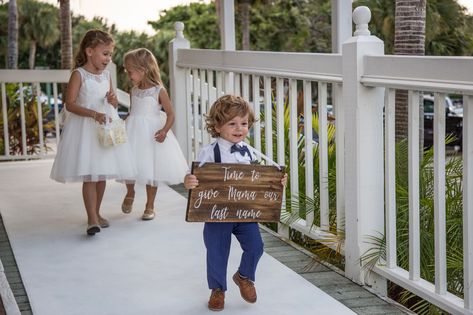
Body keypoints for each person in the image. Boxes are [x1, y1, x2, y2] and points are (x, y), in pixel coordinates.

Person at [184, 95, 287, 311]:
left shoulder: (249, 152)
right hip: (217, 213)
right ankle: (217, 289)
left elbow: (260, 180)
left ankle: (244, 276)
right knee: (217, 252)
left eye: (244, 123)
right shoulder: (209, 152)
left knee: (256, 247)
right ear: (218, 126)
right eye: (232, 123)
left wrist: (276, 181)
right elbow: (196, 176)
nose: (239, 128)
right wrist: (190, 180)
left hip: (245, 213)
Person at [50, 29, 136, 236]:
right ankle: (91, 219)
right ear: (89, 51)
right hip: (85, 129)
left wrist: (113, 101)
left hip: (105, 127)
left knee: (101, 174)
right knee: (90, 175)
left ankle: (97, 213)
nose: (108, 58)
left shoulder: (106, 75)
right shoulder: (78, 74)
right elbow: (69, 104)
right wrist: (93, 114)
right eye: (105, 53)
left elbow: (112, 102)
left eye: (110, 54)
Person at [121, 48, 188, 220]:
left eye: (130, 71)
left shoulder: (159, 90)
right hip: (132, 131)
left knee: (151, 169)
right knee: (129, 165)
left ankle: (150, 205)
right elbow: (132, 112)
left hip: (151, 134)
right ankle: (130, 192)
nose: (128, 74)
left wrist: (164, 130)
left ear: (143, 69)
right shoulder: (133, 91)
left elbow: (171, 114)